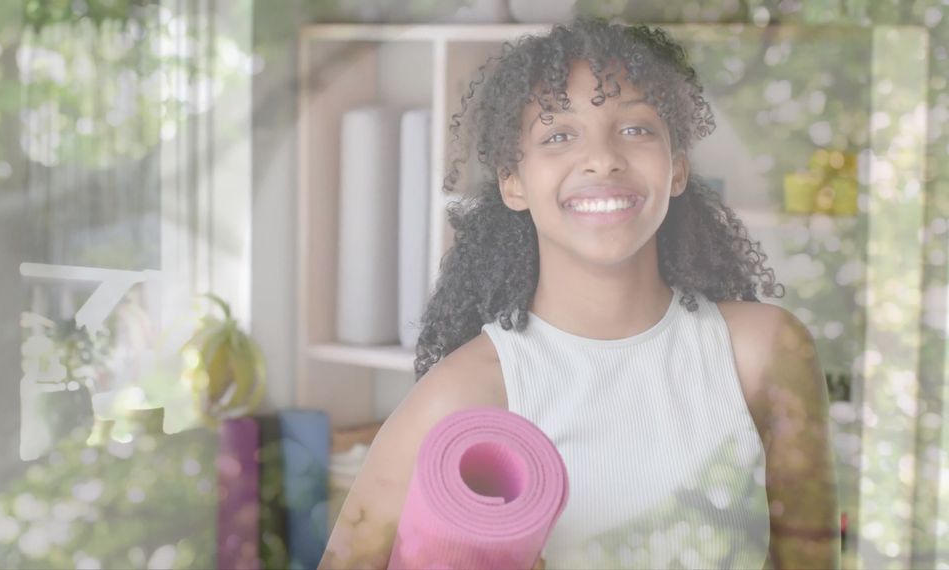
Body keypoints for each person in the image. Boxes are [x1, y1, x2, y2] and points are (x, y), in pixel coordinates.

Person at [319, 17, 839, 570]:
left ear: (679, 169)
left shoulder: (763, 353)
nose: (602, 158)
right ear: (512, 182)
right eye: (557, 135)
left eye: (636, 129)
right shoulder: (461, 396)